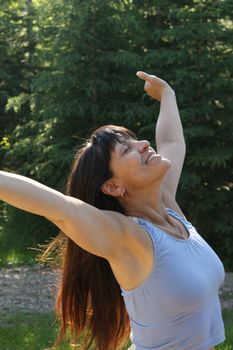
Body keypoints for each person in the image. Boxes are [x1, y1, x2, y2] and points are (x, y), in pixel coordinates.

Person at [0, 72, 225, 350]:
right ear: (113, 187)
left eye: (136, 140)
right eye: (127, 149)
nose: (144, 144)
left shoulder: (171, 212)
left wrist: (167, 95)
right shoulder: (128, 236)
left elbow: (172, 144)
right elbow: (58, 208)